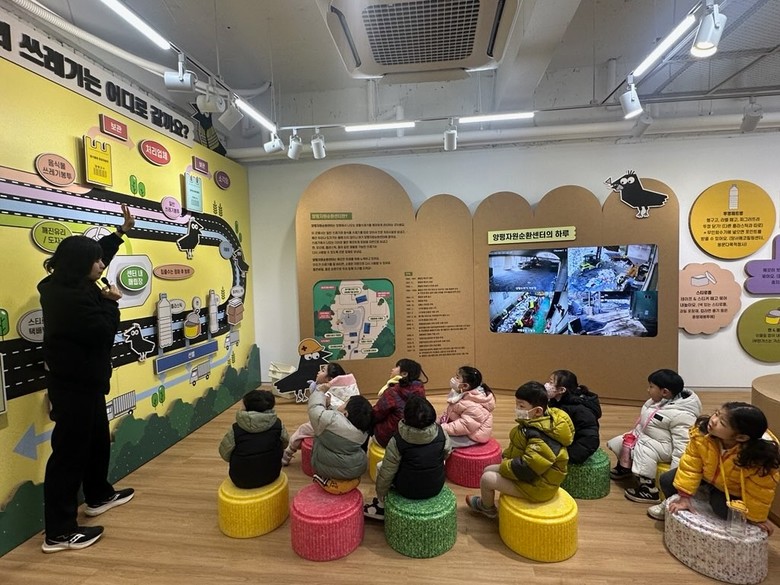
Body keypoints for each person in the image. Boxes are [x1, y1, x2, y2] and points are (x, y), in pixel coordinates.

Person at [38, 204, 136, 553]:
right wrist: (112, 303)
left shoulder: (66, 282)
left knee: (96, 442)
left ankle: (98, 495)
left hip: (87, 382)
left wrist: (119, 233)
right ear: (81, 265)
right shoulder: (70, 299)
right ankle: (59, 532)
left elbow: (97, 256)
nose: (102, 265)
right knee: (68, 456)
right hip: (73, 387)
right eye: (96, 261)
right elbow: (102, 333)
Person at [647, 402, 780, 534]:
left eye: (722, 423)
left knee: (721, 509)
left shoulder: (759, 458)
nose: (713, 420)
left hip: (730, 488)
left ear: (741, 437)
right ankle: (671, 504)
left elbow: (760, 491)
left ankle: (704, 495)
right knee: (667, 480)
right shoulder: (702, 435)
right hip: (705, 475)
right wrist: (684, 496)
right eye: (716, 414)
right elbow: (690, 465)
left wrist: (757, 518)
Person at [466, 381, 574, 519]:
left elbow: (528, 468)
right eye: (517, 404)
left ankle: (487, 508)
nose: (517, 409)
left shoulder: (542, 438)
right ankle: (487, 501)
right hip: (535, 477)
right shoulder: (540, 421)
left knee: (487, 479)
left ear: (537, 411)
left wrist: (505, 466)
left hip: (538, 486)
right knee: (488, 469)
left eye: (521, 406)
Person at [607, 369, 702, 504]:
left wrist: (674, 474)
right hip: (649, 437)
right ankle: (625, 467)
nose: (648, 390)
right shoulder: (655, 401)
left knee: (643, 450)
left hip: (665, 447)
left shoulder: (682, 415)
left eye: (651, 387)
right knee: (621, 442)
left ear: (665, 392)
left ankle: (648, 489)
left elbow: (683, 444)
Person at [364, 395, 452, 520]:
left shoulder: (397, 440)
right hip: (436, 486)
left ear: (405, 418)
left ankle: (381, 507)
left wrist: (381, 493)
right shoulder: (442, 433)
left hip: (407, 489)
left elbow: (387, 472)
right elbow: (447, 452)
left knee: (381, 466)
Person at [281, 362, 357, 465]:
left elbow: (317, 412)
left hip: (327, 424)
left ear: (329, 379)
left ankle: (287, 453)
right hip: (344, 429)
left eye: (322, 370)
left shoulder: (327, 394)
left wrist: (318, 394)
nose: (318, 372)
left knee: (302, 430)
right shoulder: (345, 390)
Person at [308, 384, 373, 494]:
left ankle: (326, 481)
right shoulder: (362, 431)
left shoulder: (330, 422)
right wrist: (328, 406)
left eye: (345, 403)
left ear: (346, 413)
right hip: (353, 474)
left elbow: (315, 411)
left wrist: (319, 392)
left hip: (329, 475)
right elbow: (338, 421)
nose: (342, 404)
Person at [219, 389, 289, 489]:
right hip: (272, 474)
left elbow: (225, 455)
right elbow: (285, 443)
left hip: (241, 480)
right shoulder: (278, 424)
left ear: (246, 407)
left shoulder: (236, 429)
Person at [545, 369, 602, 464]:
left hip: (572, 448)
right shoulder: (555, 401)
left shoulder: (580, 410)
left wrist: (568, 456)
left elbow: (589, 438)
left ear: (562, 390)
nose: (547, 385)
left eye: (551, 383)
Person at [372, 358, 428, 448]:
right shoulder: (420, 390)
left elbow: (376, 414)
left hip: (391, 439)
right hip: (414, 439)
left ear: (404, 373)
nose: (392, 369)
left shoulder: (393, 392)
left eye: (397, 367)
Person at [440, 366, 495, 448]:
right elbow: (451, 410)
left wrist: (443, 428)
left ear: (465, 386)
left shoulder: (473, 406)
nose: (454, 379)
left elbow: (465, 425)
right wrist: (440, 420)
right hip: (466, 429)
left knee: (441, 442)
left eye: (457, 377)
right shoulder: (462, 393)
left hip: (473, 436)